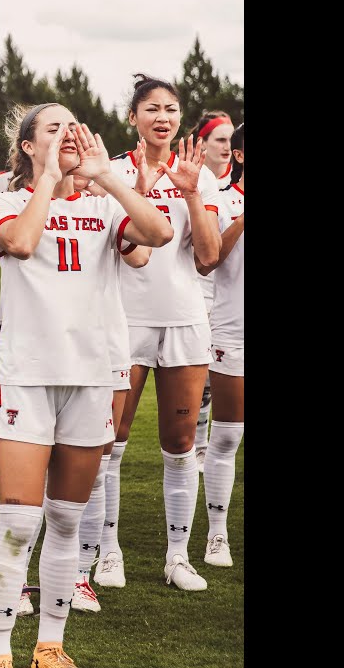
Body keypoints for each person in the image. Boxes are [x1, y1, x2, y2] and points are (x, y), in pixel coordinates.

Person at [0, 105, 173, 668]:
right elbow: (20, 243)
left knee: (66, 519)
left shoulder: (103, 203)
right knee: (19, 523)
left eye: (73, 126)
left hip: (92, 378)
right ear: (27, 145)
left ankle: (50, 645)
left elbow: (158, 233)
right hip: (27, 376)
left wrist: (107, 176)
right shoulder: (5, 199)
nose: (68, 134)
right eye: (53, 128)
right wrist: (47, 177)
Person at [93, 74, 222, 593]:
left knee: (181, 443)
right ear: (133, 117)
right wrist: (138, 195)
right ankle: (107, 552)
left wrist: (190, 193)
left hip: (186, 319)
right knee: (110, 441)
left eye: (170, 109)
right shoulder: (113, 172)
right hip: (124, 320)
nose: (162, 117)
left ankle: (178, 557)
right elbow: (127, 249)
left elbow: (208, 257)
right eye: (151, 109)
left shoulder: (199, 175)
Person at [197, 122, 243, 568]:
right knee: (226, 436)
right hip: (234, 333)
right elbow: (208, 261)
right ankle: (217, 534)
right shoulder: (226, 202)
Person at [183, 110, 233, 470]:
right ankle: (198, 443)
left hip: (228, 291)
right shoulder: (194, 178)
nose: (227, 147)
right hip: (197, 284)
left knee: (219, 376)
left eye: (232, 140)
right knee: (200, 373)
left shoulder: (236, 183)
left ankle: (213, 442)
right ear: (202, 143)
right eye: (220, 139)